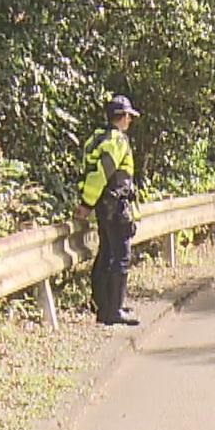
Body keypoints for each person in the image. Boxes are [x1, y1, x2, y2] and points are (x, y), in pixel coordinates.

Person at [79, 95, 140, 326]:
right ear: (123, 117)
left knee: (106, 253)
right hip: (116, 206)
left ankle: (105, 306)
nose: (130, 121)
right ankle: (113, 310)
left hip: (104, 207)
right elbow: (101, 175)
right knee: (121, 257)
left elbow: (89, 174)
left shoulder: (97, 138)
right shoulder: (116, 141)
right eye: (129, 117)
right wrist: (86, 204)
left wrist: (89, 203)